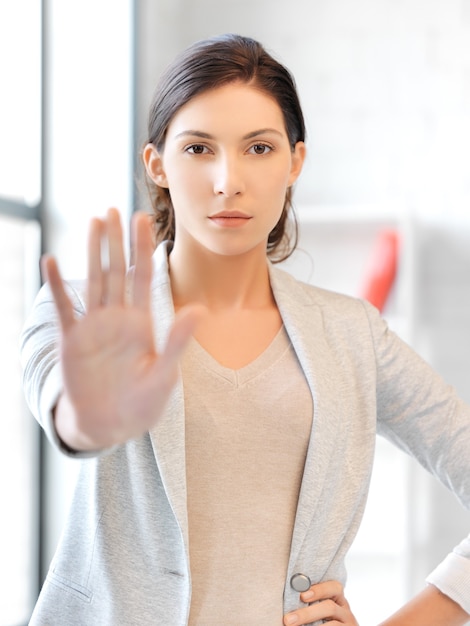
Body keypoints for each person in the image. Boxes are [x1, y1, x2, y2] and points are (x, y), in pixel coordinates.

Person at [20, 33, 470, 626]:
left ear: (295, 162)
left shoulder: (354, 335)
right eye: (199, 148)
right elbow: (65, 410)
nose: (228, 180)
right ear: (157, 165)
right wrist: (91, 417)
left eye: (258, 148)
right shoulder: (80, 312)